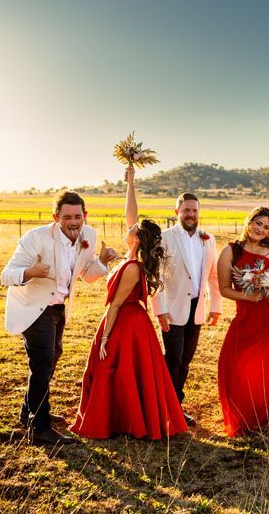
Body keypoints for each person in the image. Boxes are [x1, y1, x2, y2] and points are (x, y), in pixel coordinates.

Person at [70, 165, 187, 440]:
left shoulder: (133, 266)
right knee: (120, 373)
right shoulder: (131, 257)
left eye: (131, 228)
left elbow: (116, 305)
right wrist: (130, 184)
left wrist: (104, 338)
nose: (128, 227)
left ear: (137, 238)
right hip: (128, 321)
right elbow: (130, 215)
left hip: (126, 325)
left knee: (115, 369)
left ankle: (123, 421)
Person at [1, 191, 117, 445]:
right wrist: (30, 272)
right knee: (43, 361)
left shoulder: (89, 236)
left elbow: (85, 275)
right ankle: (40, 428)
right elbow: (6, 275)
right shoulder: (36, 238)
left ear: (85, 216)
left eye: (78, 216)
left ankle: (29, 411)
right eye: (67, 217)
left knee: (52, 357)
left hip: (58, 308)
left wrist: (103, 262)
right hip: (34, 307)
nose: (73, 221)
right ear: (56, 217)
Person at [216, 207, 269, 437]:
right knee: (236, 365)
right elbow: (224, 289)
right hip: (247, 318)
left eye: (266, 226)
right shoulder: (231, 252)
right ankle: (242, 415)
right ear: (248, 221)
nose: (260, 229)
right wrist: (247, 296)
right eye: (257, 223)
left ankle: (265, 417)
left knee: (267, 369)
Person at [150, 189, 221, 425]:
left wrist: (215, 306)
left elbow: (213, 277)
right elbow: (154, 276)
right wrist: (159, 309)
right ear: (177, 212)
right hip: (172, 307)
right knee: (173, 358)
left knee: (186, 359)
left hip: (197, 307)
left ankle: (176, 406)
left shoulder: (208, 239)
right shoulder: (164, 238)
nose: (191, 214)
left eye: (195, 210)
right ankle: (166, 408)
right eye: (186, 210)